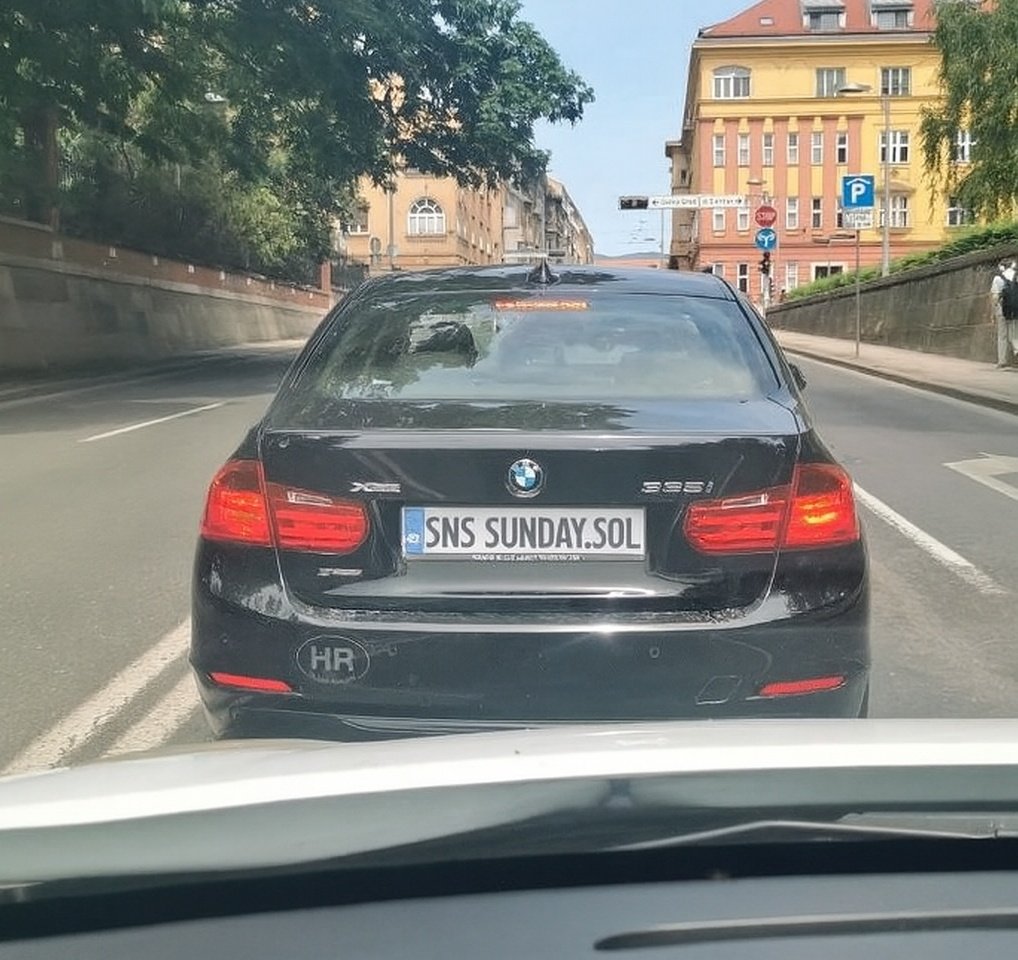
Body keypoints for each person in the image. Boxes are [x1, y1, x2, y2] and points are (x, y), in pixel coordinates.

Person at [990, 261, 1015, 368]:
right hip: (1016, 310)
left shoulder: (998, 278)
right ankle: (1016, 350)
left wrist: (992, 313)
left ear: (1002, 267)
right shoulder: (1016, 276)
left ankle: (1002, 361)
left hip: (1002, 310)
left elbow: (995, 297)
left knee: (1002, 335)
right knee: (1015, 333)